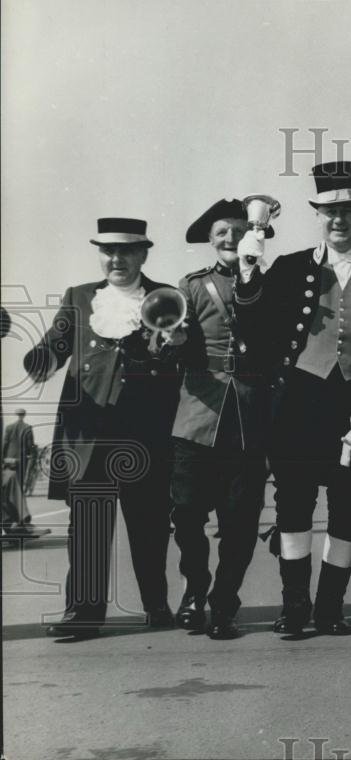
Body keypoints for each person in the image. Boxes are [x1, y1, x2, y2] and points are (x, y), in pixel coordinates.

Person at [235, 162, 351, 636]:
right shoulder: (289, 268)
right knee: (293, 505)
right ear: (319, 216)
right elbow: (253, 330)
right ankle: (294, 607)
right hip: (299, 402)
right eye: (330, 212)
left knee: (350, 507)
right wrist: (248, 278)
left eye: (347, 211)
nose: (338, 220)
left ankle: (330, 608)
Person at [24, 219, 180, 638]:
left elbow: (180, 363)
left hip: (146, 433)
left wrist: (172, 349)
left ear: (143, 254)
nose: (117, 259)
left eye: (126, 252)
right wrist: (38, 362)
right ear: (100, 254)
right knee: (89, 529)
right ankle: (84, 613)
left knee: (149, 525)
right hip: (88, 434)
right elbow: (54, 348)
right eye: (108, 251)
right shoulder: (79, 297)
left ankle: (156, 605)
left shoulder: (167, 297)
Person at [168, 199, 273, 639]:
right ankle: (195, 590)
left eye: (236, 230)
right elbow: (172, 342)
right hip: (197, 417)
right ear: (210, 242)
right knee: (188, 515)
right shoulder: (191, 285)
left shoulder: (274, 283)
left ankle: (225, 601)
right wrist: (170, 339)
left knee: (240, 522)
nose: (229, 239)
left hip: (250, 418)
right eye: (220, 233)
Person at [2, 409, 50, 537]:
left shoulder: (9, 427)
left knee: (10, 482)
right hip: (21, 460)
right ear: (24, 415)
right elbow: (30, 446)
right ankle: (19, 519)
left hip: (8, 460)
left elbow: (5, 444)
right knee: (17, 484)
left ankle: (18, 519)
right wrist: (33, 454)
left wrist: (4, 459)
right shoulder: (28, 428)